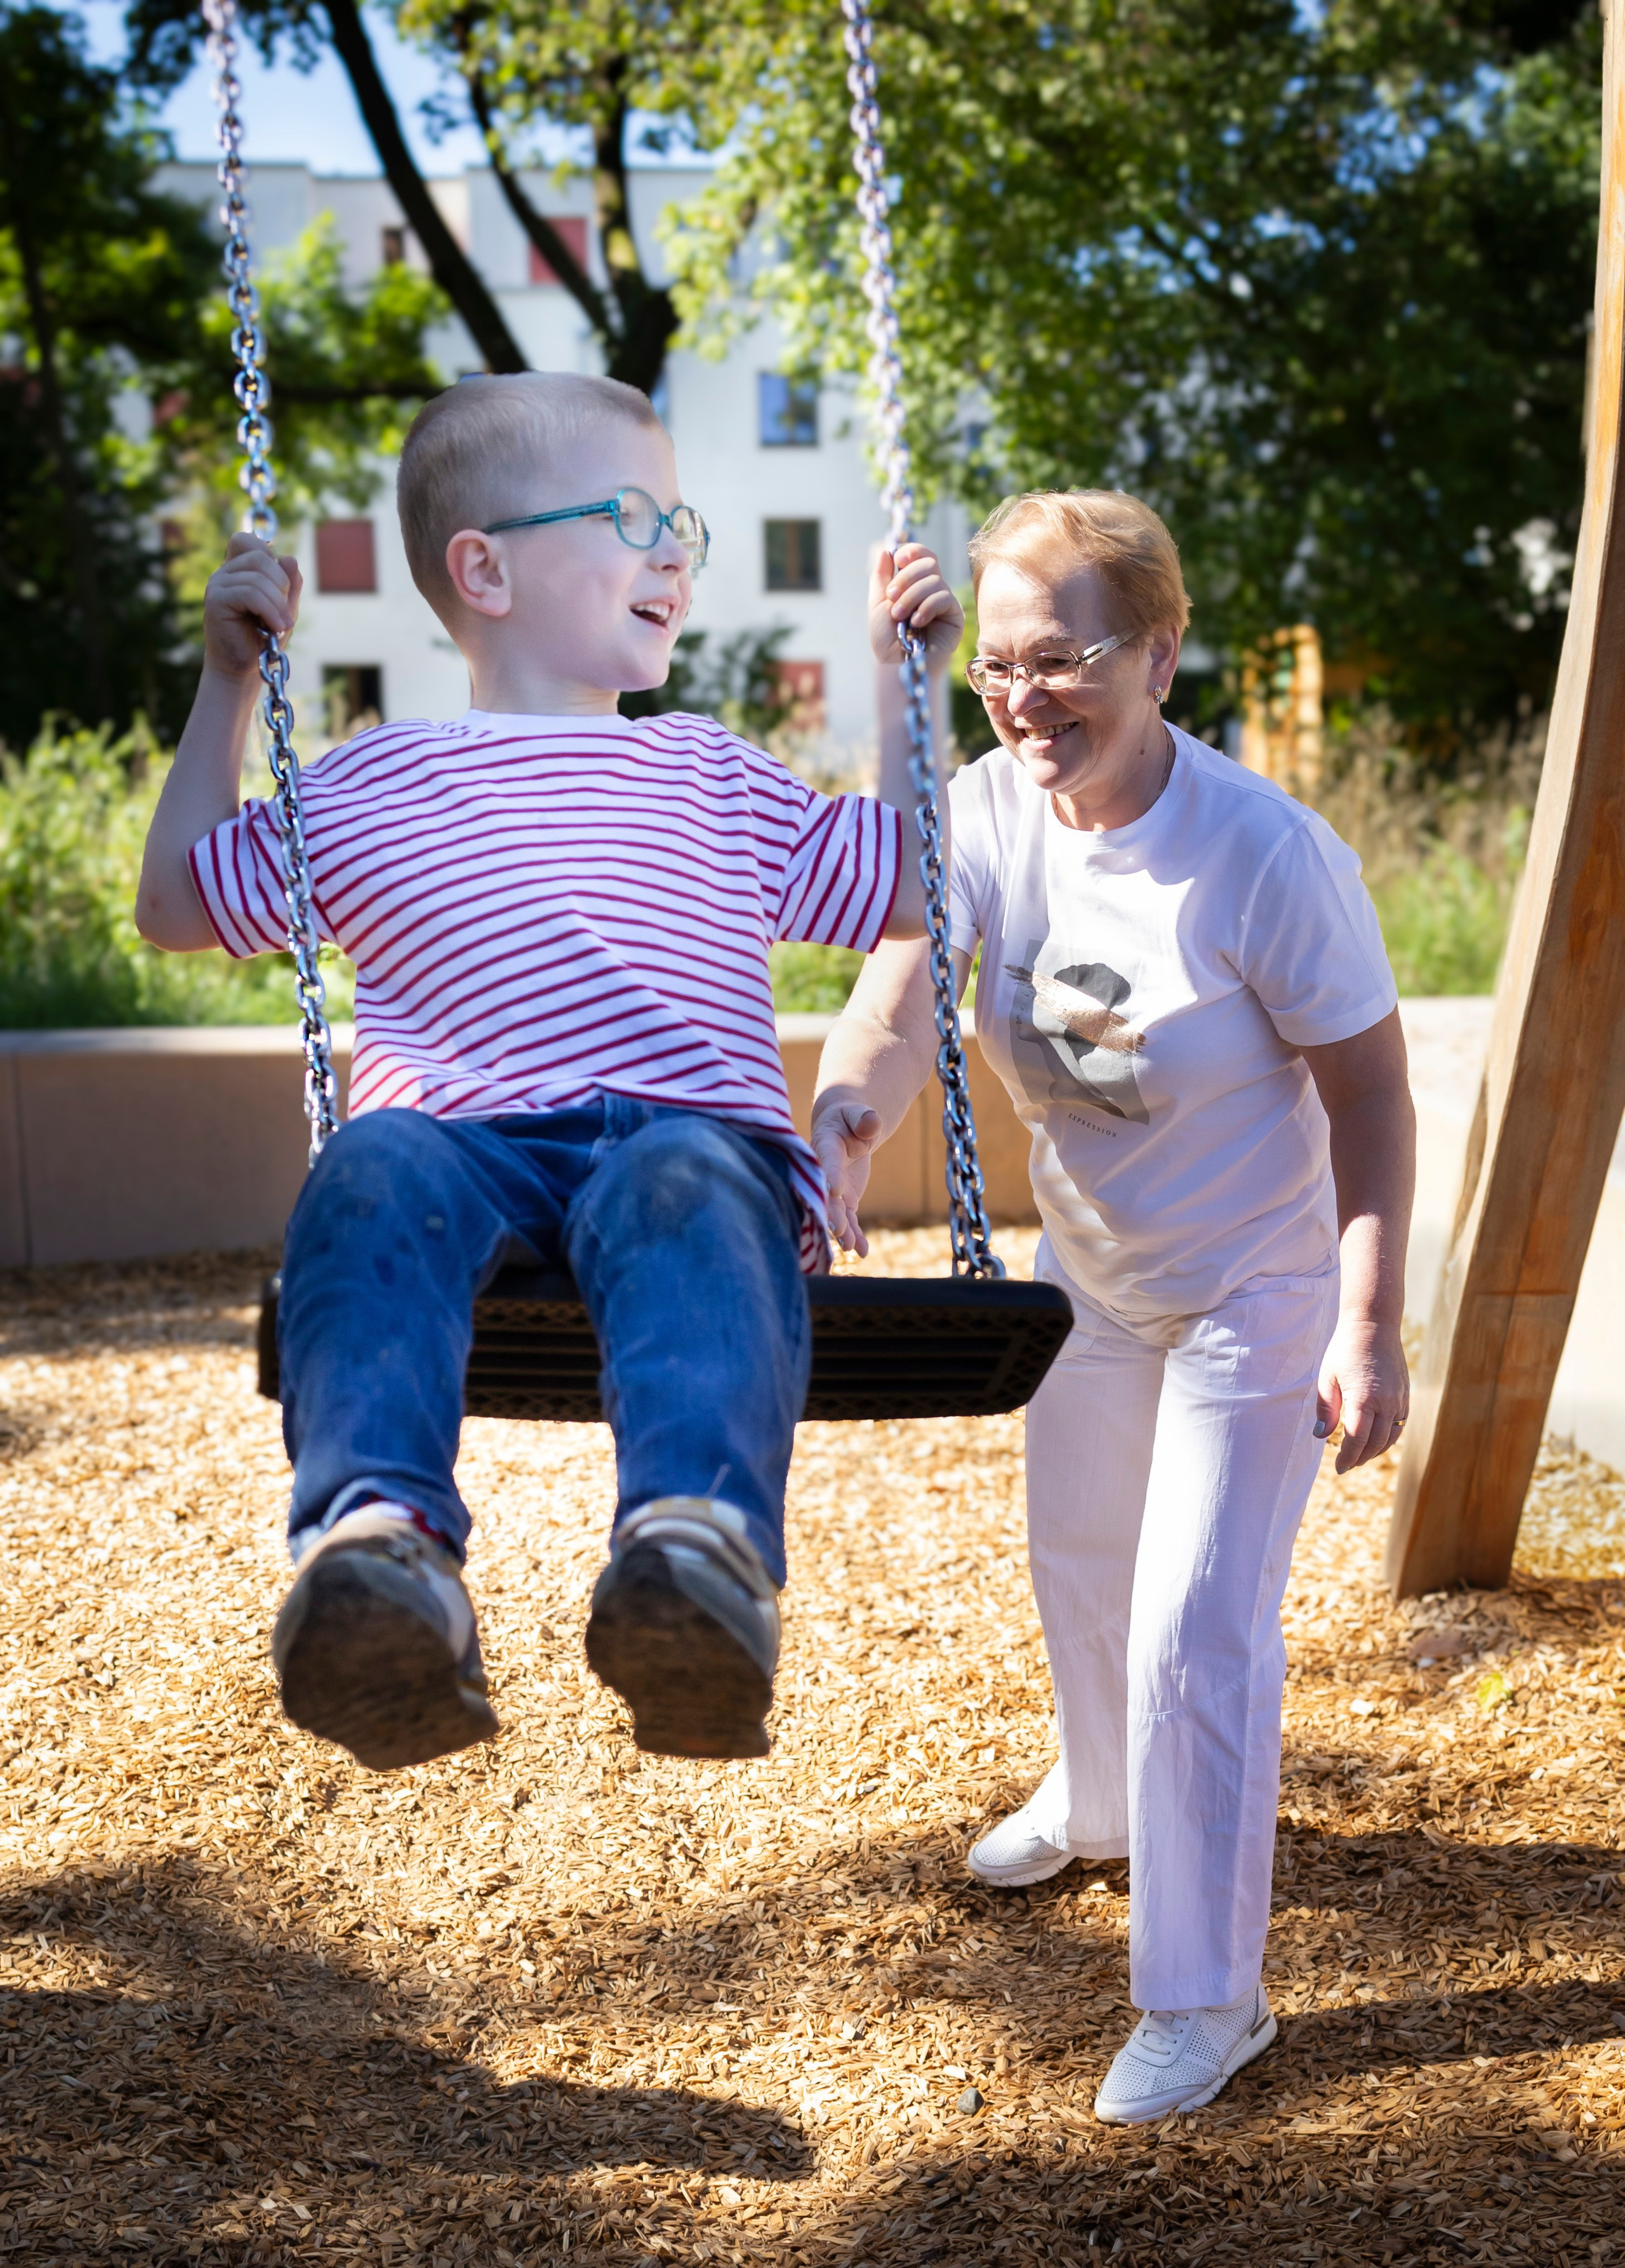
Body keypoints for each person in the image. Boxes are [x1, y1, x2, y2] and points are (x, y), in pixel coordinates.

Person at [136, 371, 963, 1775]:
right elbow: (174, 903)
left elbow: (902, 883)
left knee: (694, 1179)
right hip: (456, 1140)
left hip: (678, 1142)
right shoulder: (365, 779)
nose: (675, 552)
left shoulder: (711, 771)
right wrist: (227, 684)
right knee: (369, 1168)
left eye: (680, 524)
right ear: (485, 569)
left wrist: (905, 684)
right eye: (636, 517)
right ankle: (376, 1556)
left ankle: (687, 1559)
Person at [812, 488, 1414, 2126]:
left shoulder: (1259, 856)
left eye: (1060, 660)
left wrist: (1369, 1319)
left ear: (1159, 649)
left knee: (1191, 1631)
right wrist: (846, 1114)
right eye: (995, 667)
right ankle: (1096, 1803)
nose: (1022, 700)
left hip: (1253, 1286)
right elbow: (894, 978)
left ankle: (1206, 1997)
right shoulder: (991, 810)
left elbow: (1368, 1094)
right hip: (1092, 1275)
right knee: (1077, 1560)